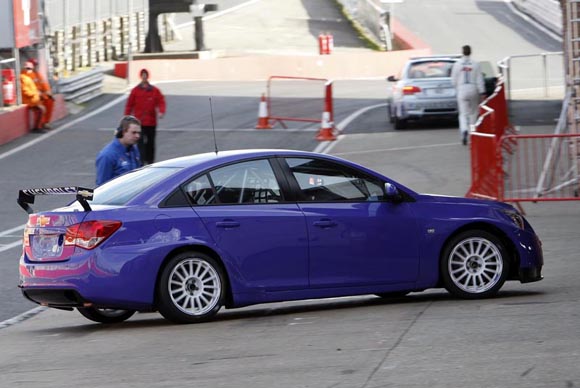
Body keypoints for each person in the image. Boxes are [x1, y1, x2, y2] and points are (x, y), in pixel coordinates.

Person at [124, 68, 166, 165]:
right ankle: (141, 162)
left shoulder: (154, 91)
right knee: (140, 143)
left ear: (147, 76)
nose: (144, 77)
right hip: (139, 122)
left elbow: (161, 101)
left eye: (145, 75)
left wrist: (161, 111)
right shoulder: (135, 91)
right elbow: (129, 105)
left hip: (151, 122)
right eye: (142, 75)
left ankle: (150, 161)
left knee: (150, 143)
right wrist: (126, 117)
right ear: (141, 76)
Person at [451, 45, 486, 146]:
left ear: (462, 52)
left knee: (463, 113)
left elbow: (453, 80)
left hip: (462, 89)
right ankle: (472, 133)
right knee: (473, 113)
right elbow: (480, 79)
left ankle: (464, 130)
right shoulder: (476, 64)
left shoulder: (457, 64)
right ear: (470, 52)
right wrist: (482, 92)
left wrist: (457, 87)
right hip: (473, 88)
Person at [95, 115, 142, 186]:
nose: (137, 136)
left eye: (138, 133)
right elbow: (101, 186)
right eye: (134, 132)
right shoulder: (107, 155)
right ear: (123, 132)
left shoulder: (134, 149)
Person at [20, 62, 45, 132]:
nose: (29, 70)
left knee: (42, 108)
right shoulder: (23, 78)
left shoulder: (29, 77)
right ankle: (37, 127)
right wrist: (35, 93)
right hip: (28, 100)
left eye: (30, 69)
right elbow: (25, 91)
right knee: (40, 110)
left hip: (32, 99)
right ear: (24, 69)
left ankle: (41, 125)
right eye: (27, 69)